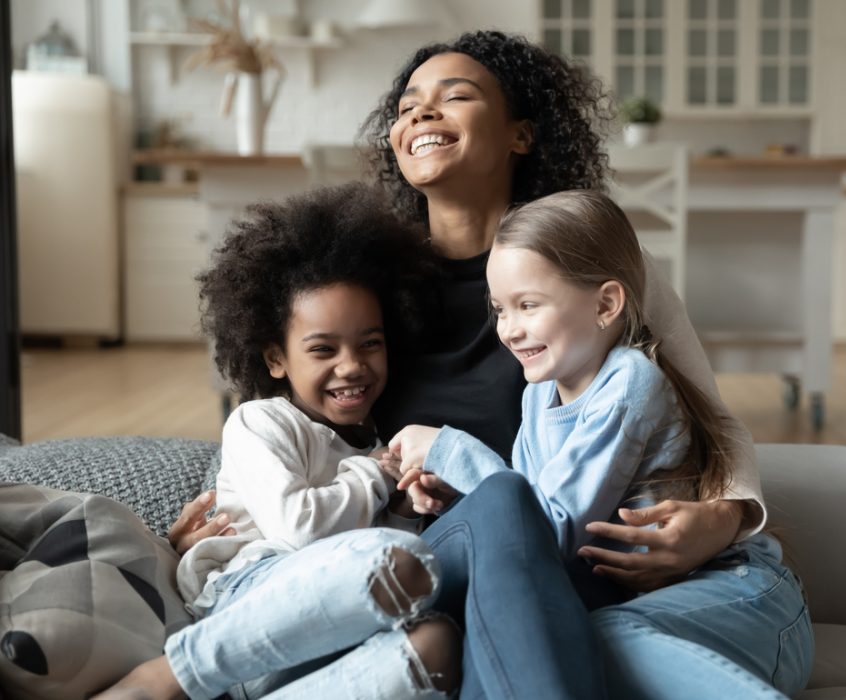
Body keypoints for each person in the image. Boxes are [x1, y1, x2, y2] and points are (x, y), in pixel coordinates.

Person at [172, 31, 813, 699]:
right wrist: (228, 533)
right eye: (407, 105)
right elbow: (301, 424)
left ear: (521, 137)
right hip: (457, 572)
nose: (420, 113)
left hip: (577, 576)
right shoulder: (369, 292)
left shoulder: (591, 275)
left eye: (456, 96)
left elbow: (711, 415)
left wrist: (729, 516)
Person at [99, 185, 460, 700]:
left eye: (370, 344)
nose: (352, 365)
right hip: (249, 601)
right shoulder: (261, 423)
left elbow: (362, 542)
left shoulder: (376, 442)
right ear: (275, 359)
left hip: (323, 634)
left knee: (438, 642)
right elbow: (302, 531)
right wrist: (374, 476)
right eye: (323, 349)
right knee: (398, 559)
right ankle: (160, 681)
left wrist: (400, 504)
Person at [383, 190, 734, 613]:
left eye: (528, 305)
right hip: (579, 584)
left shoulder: (629, 383)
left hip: (640, 598)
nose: (509, 330)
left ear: (605, 304)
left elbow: (547, 530)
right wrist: (456, 491)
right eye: (500, 310)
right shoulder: (538, 394)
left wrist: (451, 449)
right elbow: (532, 500)